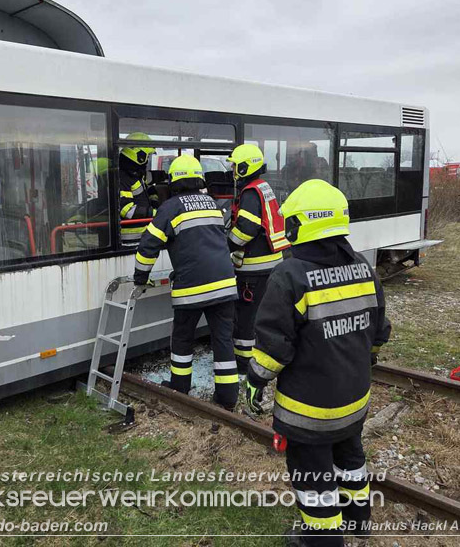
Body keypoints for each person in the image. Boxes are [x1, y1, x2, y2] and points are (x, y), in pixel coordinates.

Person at [245, 179, 391, 546]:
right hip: (355, 402)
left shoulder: (289, 276)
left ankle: (322, 539)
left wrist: (254, 381)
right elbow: (378, 332)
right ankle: (359, 522)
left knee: (313, 480)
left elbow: (273, 347)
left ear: (300, 225)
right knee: (350, 460)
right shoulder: (364, 269)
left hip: (307, 410)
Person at [133, 155, 239, 410]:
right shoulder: (213, 205)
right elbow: (209, 243)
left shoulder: (170, 207)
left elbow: (148, 245)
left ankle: (180, 387)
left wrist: (140, 277)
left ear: (173, 182)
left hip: (191, 289)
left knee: (182, 337)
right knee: (223, 340)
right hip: (225, 284)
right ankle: (227, 398)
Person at [226, 143, 290, 372]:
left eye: (234, 166)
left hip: (253, 269)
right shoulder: (262, 187)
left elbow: (246, 229)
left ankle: (244, 364)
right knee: (260, 314)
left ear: (244, 167)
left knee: (246, 317)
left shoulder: (251, 192)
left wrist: (226, 245)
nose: (232, 170)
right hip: (269, 263)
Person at [119, 132, 160, 246]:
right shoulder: (123, 178)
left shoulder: (136, 174)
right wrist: (155, 213)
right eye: (147, 156)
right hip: (131, 239)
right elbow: (126, 210)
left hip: (143, 235)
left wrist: (154, 202)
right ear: (139, 156)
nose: (147, 161)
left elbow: (146, 192)